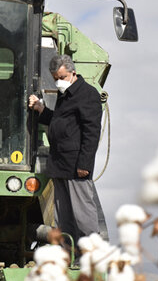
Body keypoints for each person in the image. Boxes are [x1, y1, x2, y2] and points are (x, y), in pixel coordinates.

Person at [28, 54, 109, 245]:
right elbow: (61, 122)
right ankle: (69, 253)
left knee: (83, 214)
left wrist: (84, 164)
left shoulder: (87, 94)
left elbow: (91, 133)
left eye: (62, 77)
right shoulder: (65, 95)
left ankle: (90, 252)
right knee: (63, 216)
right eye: (55, 78)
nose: (58, 82)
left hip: (76, 165)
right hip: (60, 164)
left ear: (73, 73)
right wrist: (41, 109)